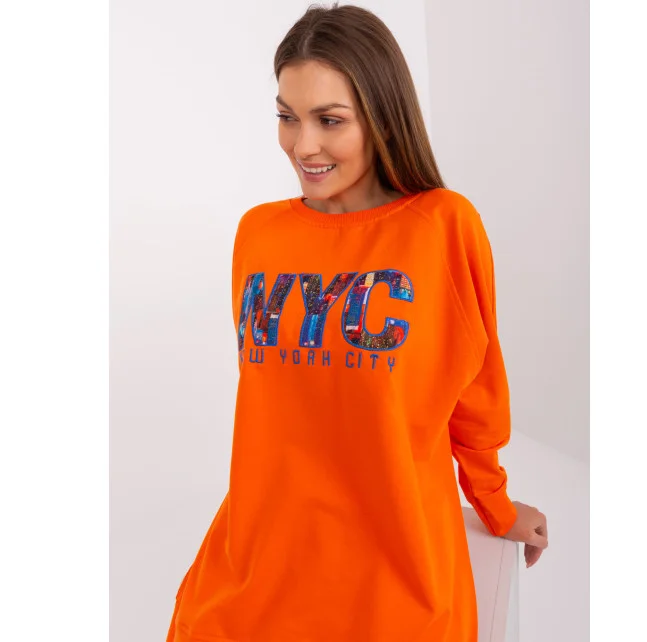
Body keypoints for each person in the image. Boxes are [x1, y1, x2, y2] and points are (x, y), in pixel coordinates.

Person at [166, 3, 548, 642]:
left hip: (394, 580)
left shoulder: (442, 227)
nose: (302, 145)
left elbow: (477, 395)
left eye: (330, 120)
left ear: (382, 116)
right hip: (249, 574)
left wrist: (495, 503)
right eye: (287, 116)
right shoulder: (259, 233)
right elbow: (278, 405)